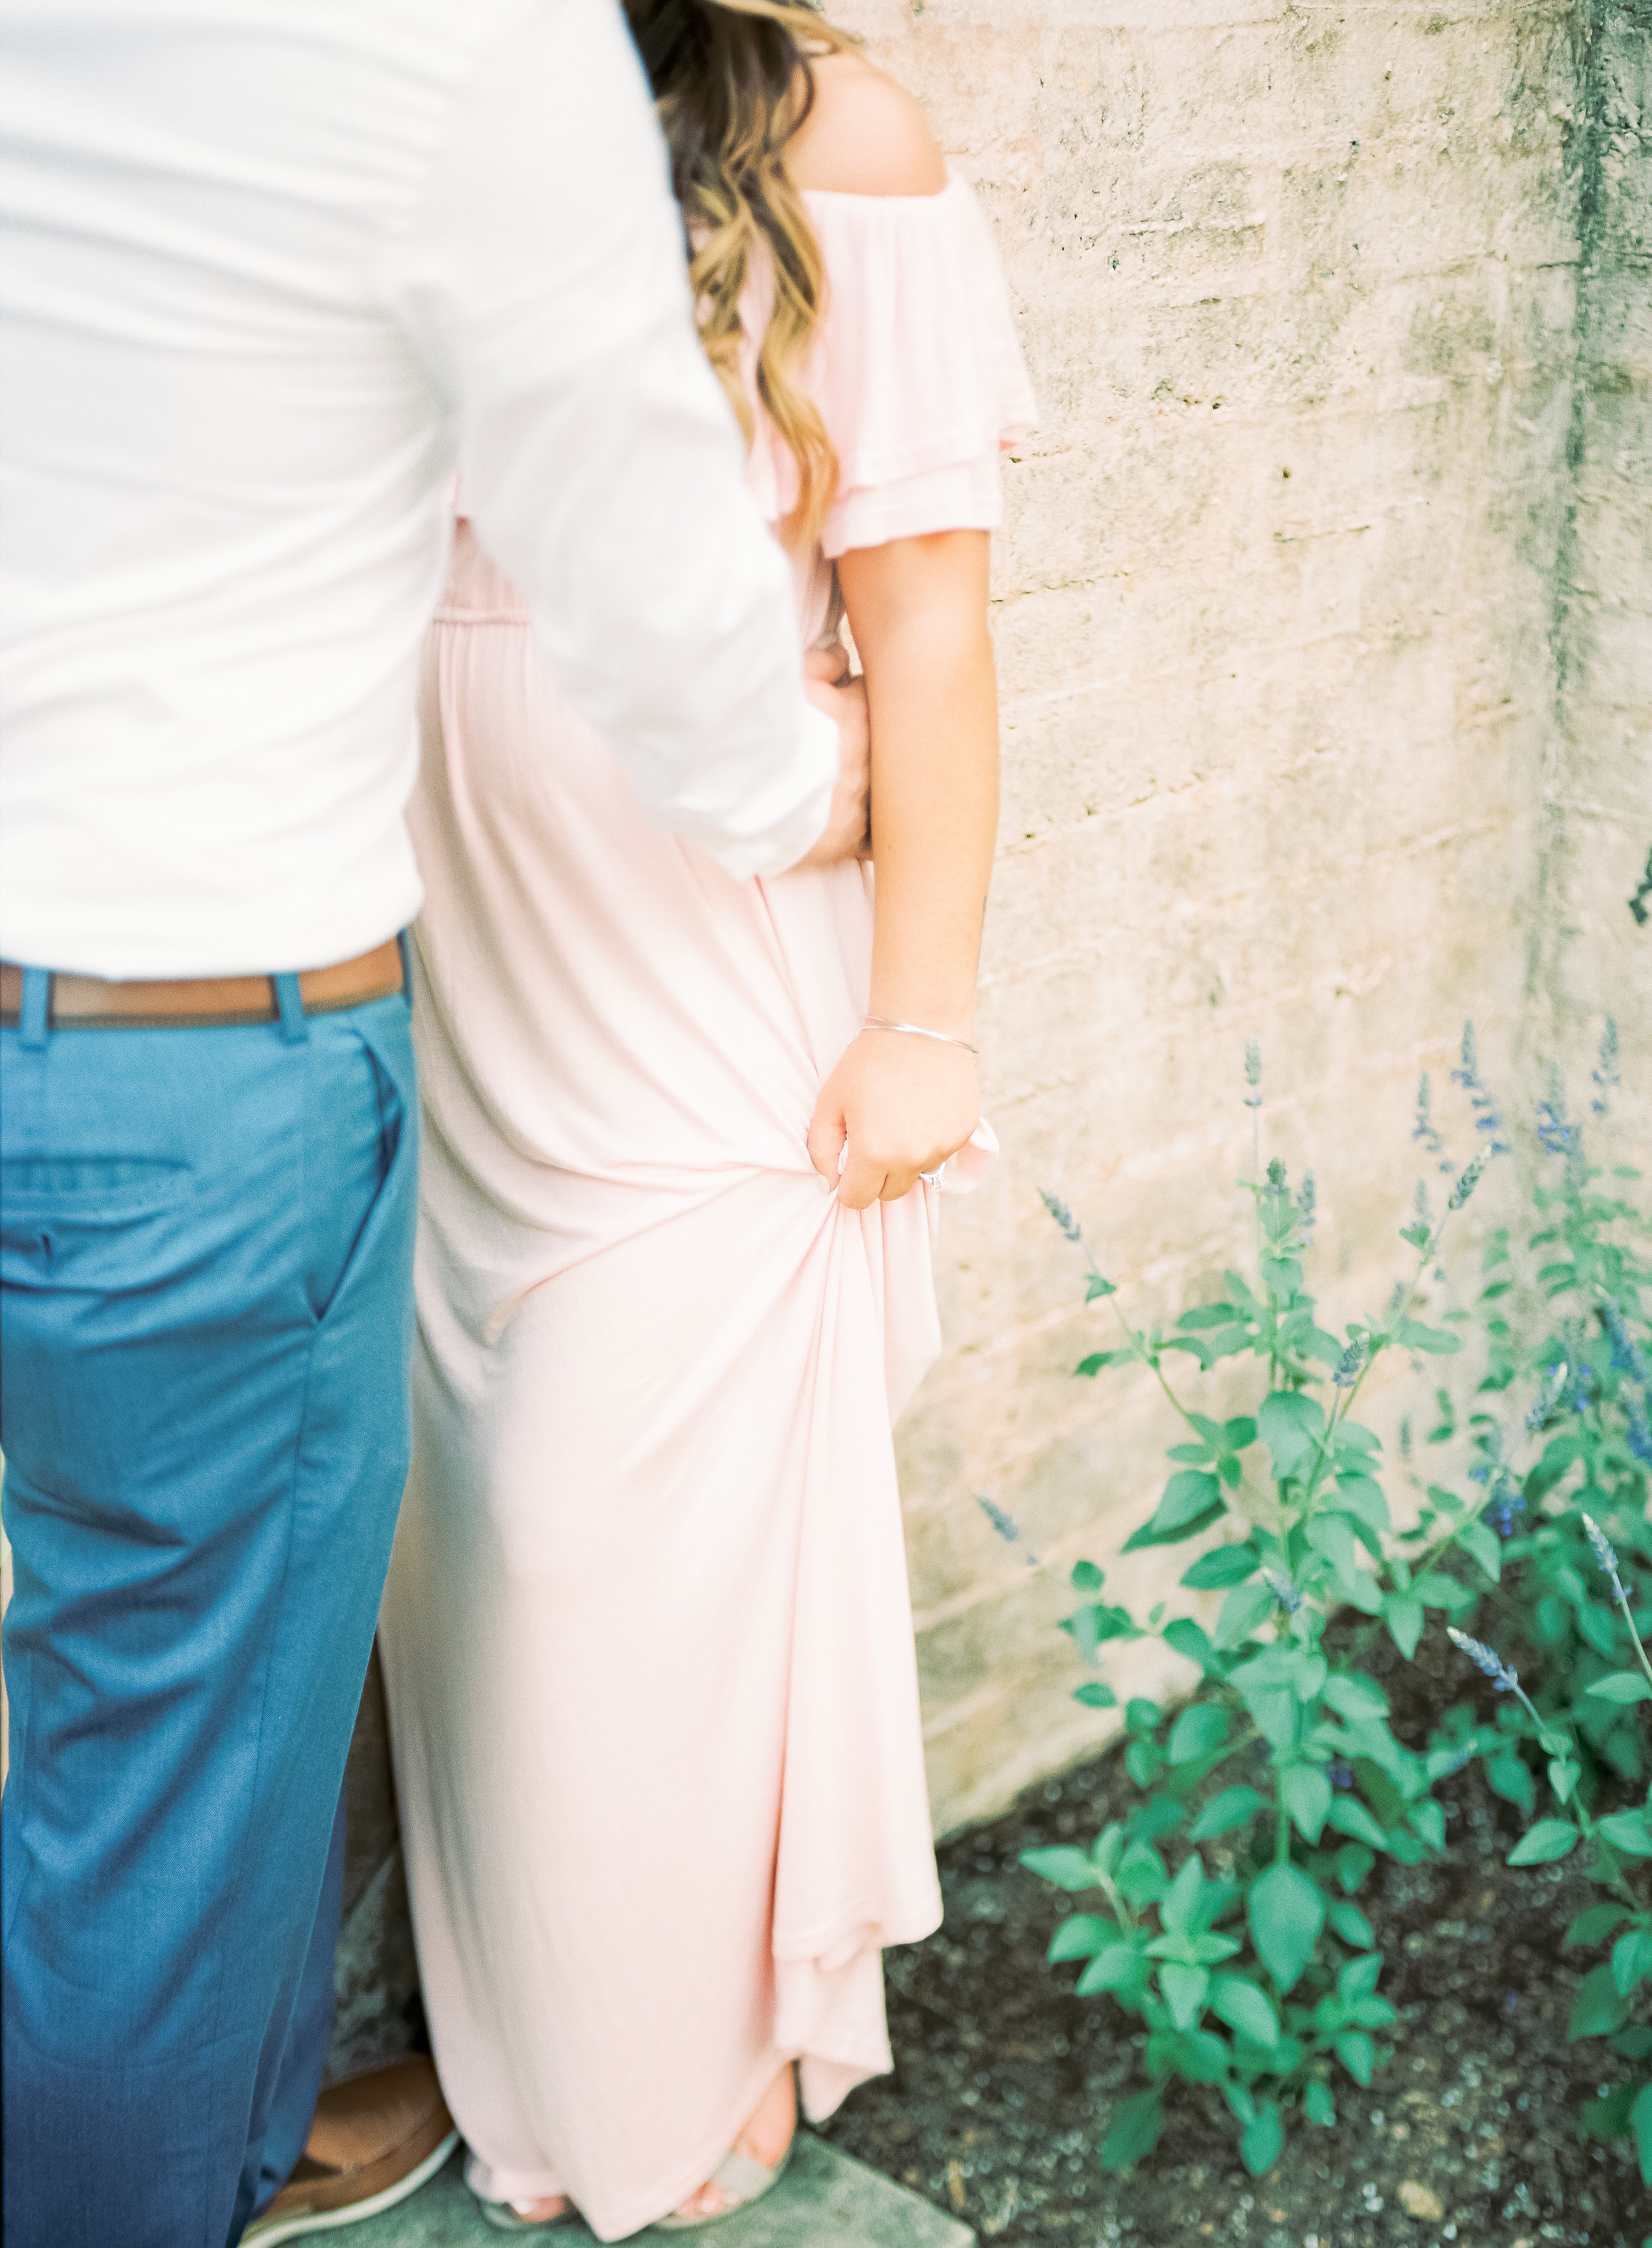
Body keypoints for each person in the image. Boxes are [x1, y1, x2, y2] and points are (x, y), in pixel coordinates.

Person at [0, 1, 873, 2241]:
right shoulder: (454, 46)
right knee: (158, 1753)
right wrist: (803, 791)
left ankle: (246, 2123)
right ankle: (155, 2170)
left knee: (187, 1692)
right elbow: (644, 563)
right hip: (194, 1057)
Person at [375, 2, 1037, 2233]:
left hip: (701, 970)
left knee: (613, 1522)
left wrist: (923, 1024)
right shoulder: (432, 97)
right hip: (460, 958)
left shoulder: (841, 134)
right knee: (472, 1524)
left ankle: (677, 2060)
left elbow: (926, 622)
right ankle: (564, 2059)